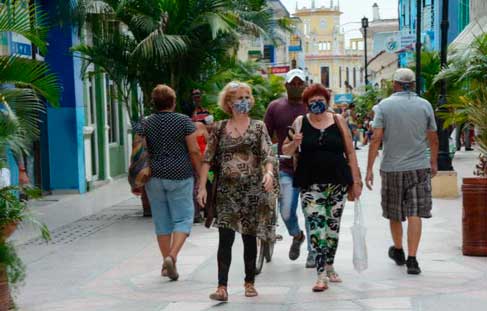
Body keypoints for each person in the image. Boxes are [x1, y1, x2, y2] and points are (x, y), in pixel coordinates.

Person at [197, 81, 277, 301]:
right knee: (226, 238)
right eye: (240, 98)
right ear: (229, 102)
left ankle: (249, 282)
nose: (245, 101)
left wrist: (268, 173)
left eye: (247, 97)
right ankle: (222, 287)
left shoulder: (258, 126)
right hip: (226, 191)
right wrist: (202, 186)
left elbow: (268, 153)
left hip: (252, 191)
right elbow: (207, 159)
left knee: (249, 238)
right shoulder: (220, 128)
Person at [282, 84, 362, 292]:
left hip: (337, 182)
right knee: (317, 228)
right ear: (306, 104)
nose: (317, 104)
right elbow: (286, 150)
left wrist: (356, 180)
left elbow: (350, 152)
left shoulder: (338, 120)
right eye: (312, 101)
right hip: (310, 183)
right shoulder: (299, 122)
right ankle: (320, 275)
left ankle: (330, 265)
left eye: (321, 100)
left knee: (332, 229)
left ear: (327, 101)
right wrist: (294, 142)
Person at [366, 68, 439, 275]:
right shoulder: (425, 105)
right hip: (419, 167)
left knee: (395, 211)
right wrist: (433, 162)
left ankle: (398, 250)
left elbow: (376, 138)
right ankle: (413, 259)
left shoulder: (384, 106)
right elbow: (433, 137)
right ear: (414, 84)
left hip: (391, 168)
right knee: (415, 211)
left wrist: (369, 168)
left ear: (395, 84)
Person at [138, 84, 202, 281]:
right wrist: (201, 174)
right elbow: (193, 150)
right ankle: (172, 257)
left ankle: (166, 266)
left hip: (154, 176)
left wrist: (137, 177)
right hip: (180, 175)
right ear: (173, 102)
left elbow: (140, 150)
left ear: (154, 103)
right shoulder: (183, 121)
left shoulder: (145, 123)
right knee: (183, 218)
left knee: (161, 221)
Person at [264, 68, 315, 268]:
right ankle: (297, 235)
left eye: (299, 83)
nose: (296, 86)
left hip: (311, 167)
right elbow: (265, 135)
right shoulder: (275, 107)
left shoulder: (312, 107)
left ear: (305, 85)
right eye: (292, 83)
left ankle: (313, 252)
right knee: (285, 211)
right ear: (286, 85)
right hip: (285, 166)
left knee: (312, 212)